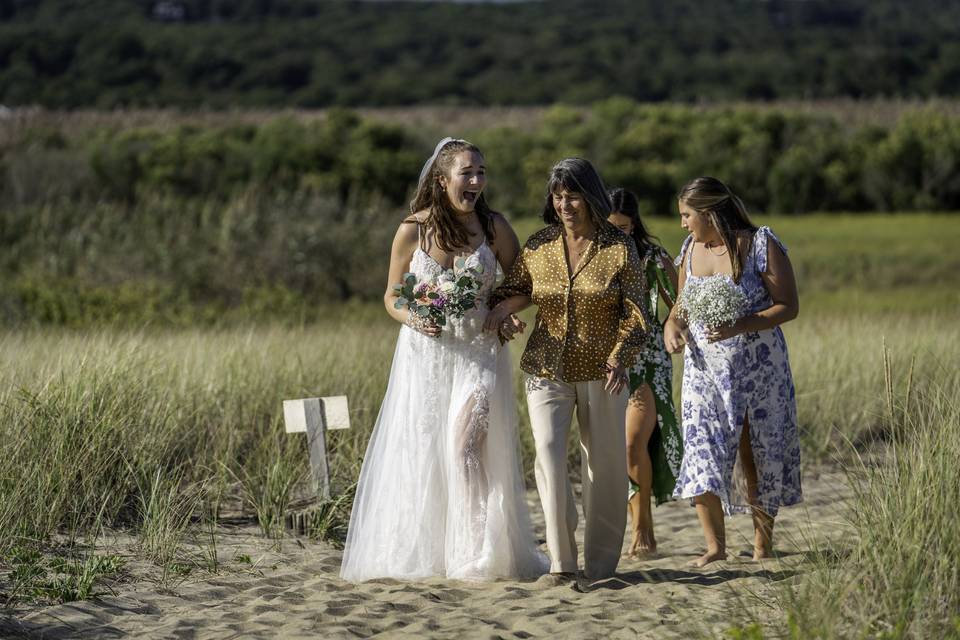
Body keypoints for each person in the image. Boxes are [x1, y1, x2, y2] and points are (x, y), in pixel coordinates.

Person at [340, 138, 548, 582]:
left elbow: (525, 285)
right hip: (427, 354)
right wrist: (412, 316)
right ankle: (434, 550)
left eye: (481, 172)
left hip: (478, 352)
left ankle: (478, 550)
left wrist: (502, 312)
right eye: (466, 173)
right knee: (426, 450)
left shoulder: (494, 227)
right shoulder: (413, 229)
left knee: (465, 446)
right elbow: (392, 295)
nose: (476, 181)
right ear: (442, 178)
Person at [486, 158, 649, 583]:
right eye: (558, 197)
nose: (565, 205)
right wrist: (504, 313)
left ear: (591, 196)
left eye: (573, 195)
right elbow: (516, 289)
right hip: (546, 367)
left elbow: (635, 311)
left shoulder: (619, 247)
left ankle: (599, 566)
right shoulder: (539, 245)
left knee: (604, 466)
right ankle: (562, 564)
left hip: (604, 370)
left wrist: (621, 353)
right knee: (549, 455)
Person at [664, 176, 802, 567]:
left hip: (758, 368)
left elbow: (787, 305)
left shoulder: (761, 244)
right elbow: (680, 305)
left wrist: (740, 325)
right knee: (701, 446)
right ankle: (715, 546)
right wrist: (671, 326)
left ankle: (762, 543)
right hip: (703, 370)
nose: (683, 224)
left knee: (754, 450)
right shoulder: (690, 249)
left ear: (708, 212)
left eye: (687, 215)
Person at [606, 188, 682, 558]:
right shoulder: (594, 257)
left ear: (634, 223)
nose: (617, 234)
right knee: (616, 451)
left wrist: (672, 326)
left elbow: (682, 301)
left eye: (623, 227)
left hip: (648, 363)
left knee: (632, 443)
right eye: (610, 227)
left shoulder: (654, 258)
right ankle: (633, 525)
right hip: (607, 365)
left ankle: (644, 527)